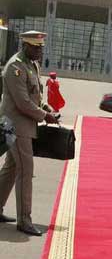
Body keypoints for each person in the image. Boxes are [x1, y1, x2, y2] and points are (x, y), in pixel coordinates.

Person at [0, 31, 60, 236]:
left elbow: (34, 95)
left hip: (24, 124)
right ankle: (24, 220)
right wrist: (44, 115)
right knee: (26, 171)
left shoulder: (31, 65)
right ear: (25, 46)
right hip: (15, 125)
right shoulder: (15, 67)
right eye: (36, 47)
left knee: (10, 168)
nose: (39, 50)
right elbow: (22, 102)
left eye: (41, 47)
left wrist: (46, 107)